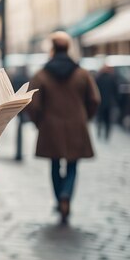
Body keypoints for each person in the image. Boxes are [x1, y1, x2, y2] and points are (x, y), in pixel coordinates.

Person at [26, 31, 100, 224]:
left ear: (52, 49)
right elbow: (94, 99)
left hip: (50, 127)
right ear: (68, 48)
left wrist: (39, 122)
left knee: (54, 165)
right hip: (77, 125)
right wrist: (85, 118)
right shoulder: (82, 73)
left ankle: (59, 198)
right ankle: (67, 194)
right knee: (73, 165)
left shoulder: (41, 74)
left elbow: (31, 103)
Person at [95, 65, 118, 140]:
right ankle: (106, 134)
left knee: (100, 118)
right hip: (109, 102)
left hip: (100, 101)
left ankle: (99, 132)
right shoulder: (112, 78)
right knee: (108, 119)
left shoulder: (99, 78)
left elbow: (95, 90)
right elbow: (116, 91)